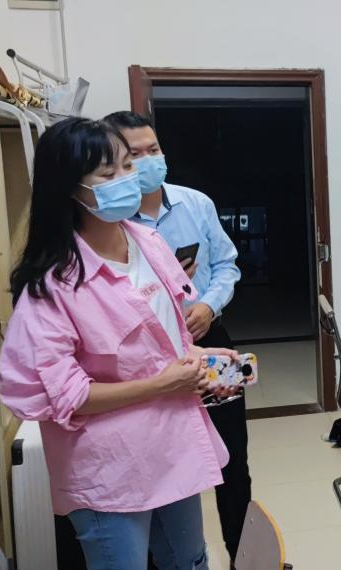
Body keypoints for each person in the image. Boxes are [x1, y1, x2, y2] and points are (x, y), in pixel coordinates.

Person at [0, 118, 238, 569]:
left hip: (172, 444)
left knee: (190, 561)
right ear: (70, 189)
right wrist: (162, 384)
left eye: (128, 166)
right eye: (109, 174)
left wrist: (200, 359)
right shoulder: (52, 285)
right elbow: (67, 396)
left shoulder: (148, 243)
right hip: (110, 467)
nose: (128, 179)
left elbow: (163, 340)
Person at [103, 110, 251, 564]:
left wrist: (208, 305)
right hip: (149, 361)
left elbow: (226, 264)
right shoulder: (109, 224)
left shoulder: (195, 204)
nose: (149, 161)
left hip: (208, 336)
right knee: (161, 465)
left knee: (233, 460)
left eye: (154, 150)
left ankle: (242, 554)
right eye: (135, 155)